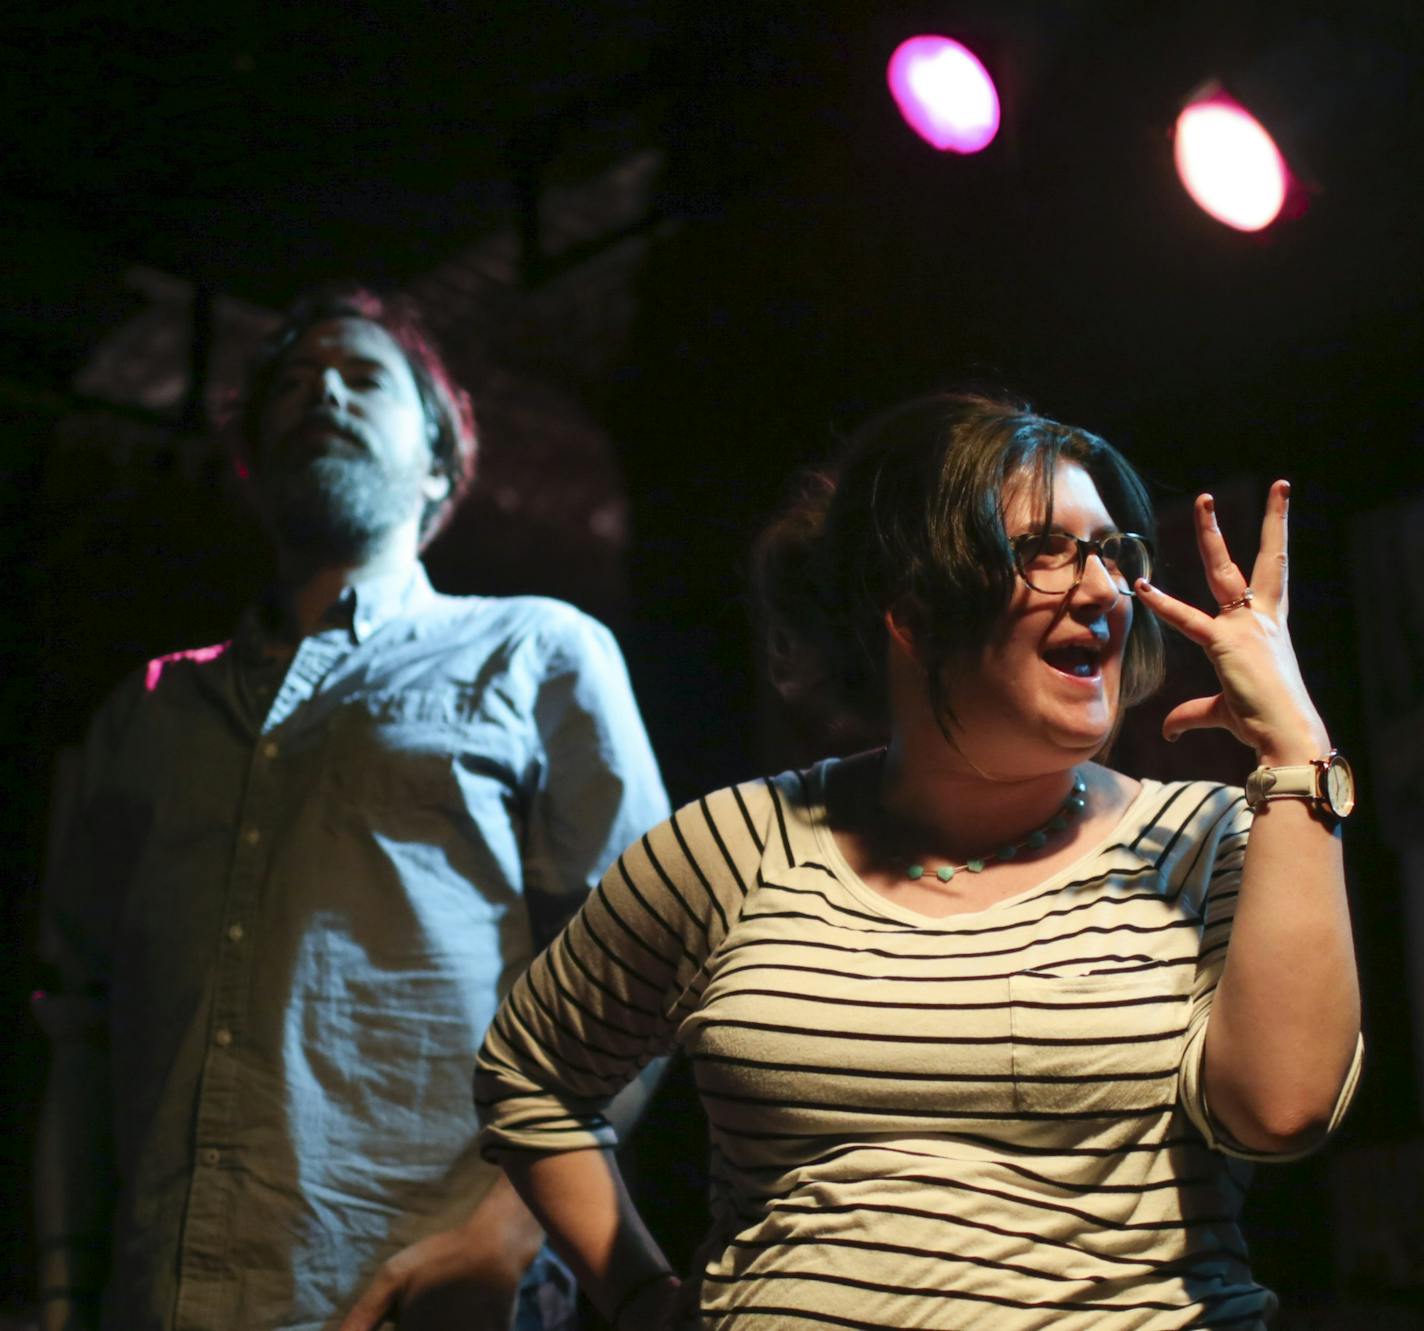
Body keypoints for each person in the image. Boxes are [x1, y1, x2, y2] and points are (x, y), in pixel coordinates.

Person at [472, 393, 1363, 1329]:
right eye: (1045, 551)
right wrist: (643, 1297)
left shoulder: (1212, 836)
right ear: (914, 606)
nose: (1103, 591)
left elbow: (1283, 1110)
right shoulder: (733, 847)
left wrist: (1297, 755)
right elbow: (529, 1078)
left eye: (1112, 553)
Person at [34, 287, 669, 1331]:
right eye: (290, 378)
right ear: (247, 465)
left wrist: (508, 1231)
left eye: (364, 374)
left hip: (428, 1300)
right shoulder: (143, 713)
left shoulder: (538, 650)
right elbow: (79, 1024)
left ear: (437, 463)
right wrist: (64, 1295)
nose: (321, 384)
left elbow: (642, 970)